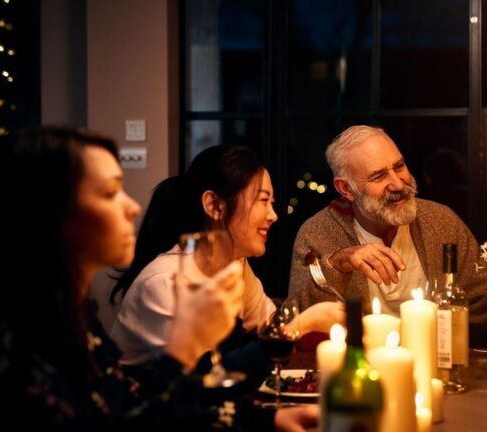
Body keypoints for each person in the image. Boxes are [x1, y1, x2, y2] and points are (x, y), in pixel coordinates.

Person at [0, 128, 317, 430]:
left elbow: (126, 406)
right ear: (49, 214)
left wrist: (270, 421)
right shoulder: (8, 356)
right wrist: (183, 349)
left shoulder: (76, 321)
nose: (133, 207)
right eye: (110, 192)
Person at [287, 125, 487, 347]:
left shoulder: (440, 221)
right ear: (346, 189)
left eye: (399, 166)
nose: (398, 183)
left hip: (437, 374)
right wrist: (338, 263)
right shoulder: (317, 234)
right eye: (378, 176)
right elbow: (300, 322)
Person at [110, 145, 342, 381]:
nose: (273, 215)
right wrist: (305, 323)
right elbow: (199, 380)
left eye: (272, 202)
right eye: (263, 200)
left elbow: (268, 327)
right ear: (215, 206)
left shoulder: (234, 265)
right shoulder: (164, 282)